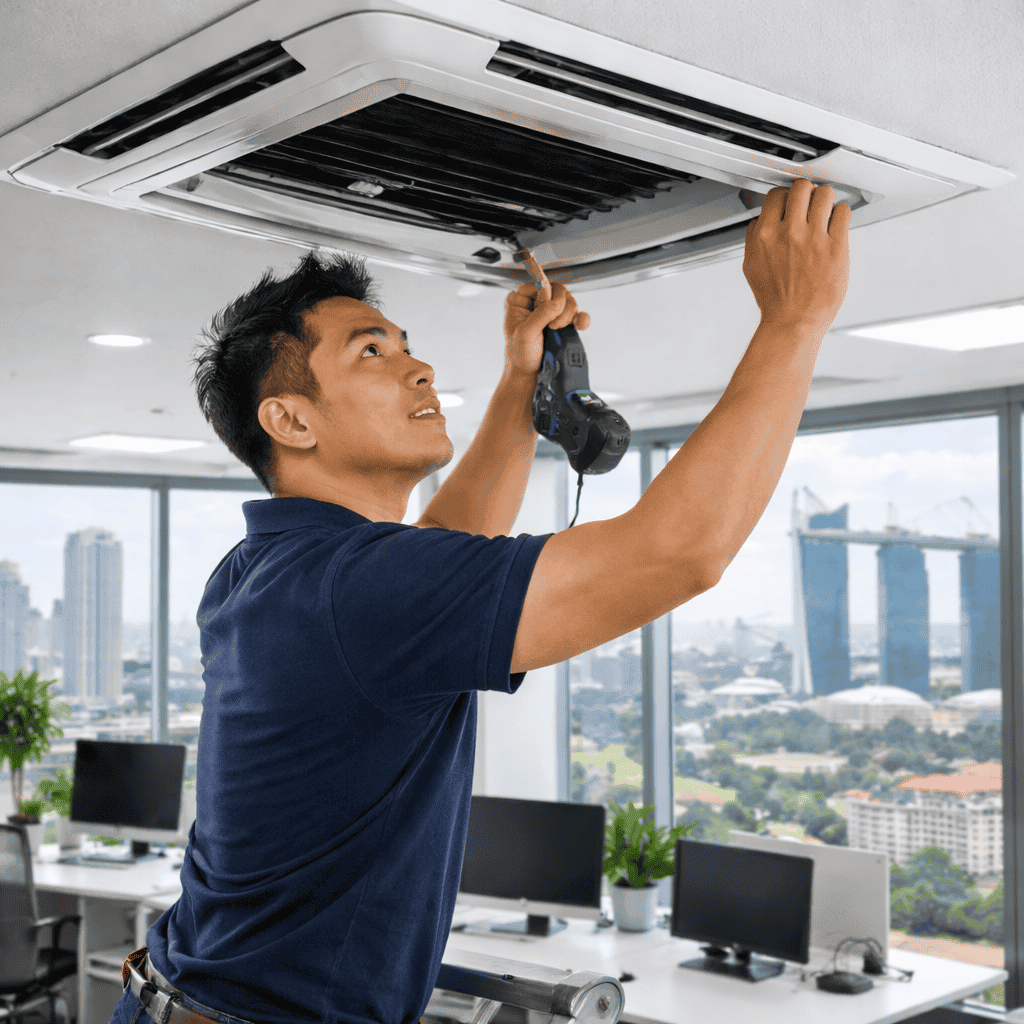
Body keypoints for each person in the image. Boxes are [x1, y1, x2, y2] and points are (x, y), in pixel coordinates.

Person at [112, 178, 850, 1024]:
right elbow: (676, 552)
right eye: (370, 353)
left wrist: (515, 390)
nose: (418, 365)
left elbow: (438, 554)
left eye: (403, 345)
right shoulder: (355, 587)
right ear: (291, 421)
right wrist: (795, 321)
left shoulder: (267, 567)